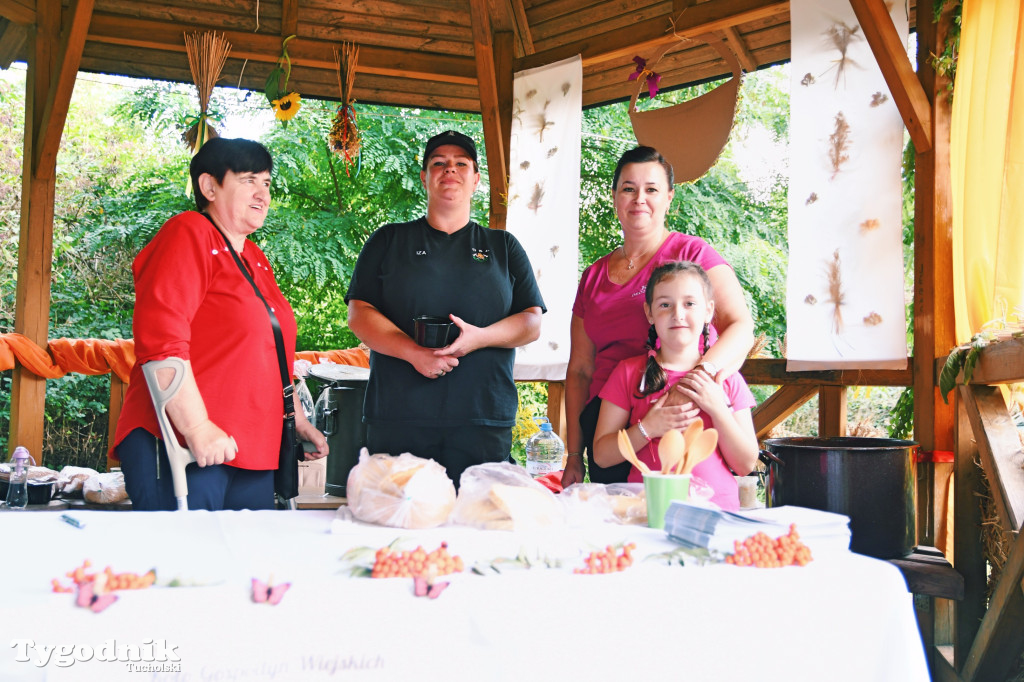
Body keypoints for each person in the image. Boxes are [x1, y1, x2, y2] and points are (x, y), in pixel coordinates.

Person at [113, 138, 328, 511]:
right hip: (188, 445)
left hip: (253, 450)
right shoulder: (189, 232)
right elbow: (161, 342)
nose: (262, 194)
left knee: (246, 567)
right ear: (209, 186)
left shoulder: (255, 257)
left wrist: (296, 419)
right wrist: (197, 428)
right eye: (248, 181)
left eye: (267, 183)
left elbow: (271, 351)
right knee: (186, 566)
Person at [345, 130, 546, 486]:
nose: (449, 170)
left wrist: (479, 338)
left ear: (476, 180)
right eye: (438, 163)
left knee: (479, 529)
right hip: (399, 418)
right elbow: (359, 313)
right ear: (424, 177)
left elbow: (531, 322)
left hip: (483, 418)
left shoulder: (503, 246)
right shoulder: (389, 240)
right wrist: (414, 353)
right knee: (397, 530)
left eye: (461, 164)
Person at [562, 146, 755, 487]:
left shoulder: (692, 254)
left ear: (668, 198)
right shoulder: (593, 275)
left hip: (675, 406)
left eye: (651, 189)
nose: (639, 199)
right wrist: (574, 455)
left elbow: (740, 327)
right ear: (614, 197)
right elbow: (579, 370)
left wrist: (696, 381)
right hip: (609, 424)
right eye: (628, 188)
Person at [593, 262, 757, 510]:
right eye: (665, 304)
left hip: (717, 511)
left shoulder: (726, 378)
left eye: (689, 304)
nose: (677, 314)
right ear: (649, 313)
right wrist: (648, 428)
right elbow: (602, 456)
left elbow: (746, 464)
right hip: (647, 510)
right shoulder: (628, 373)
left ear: (708, 311)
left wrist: (717, 408)